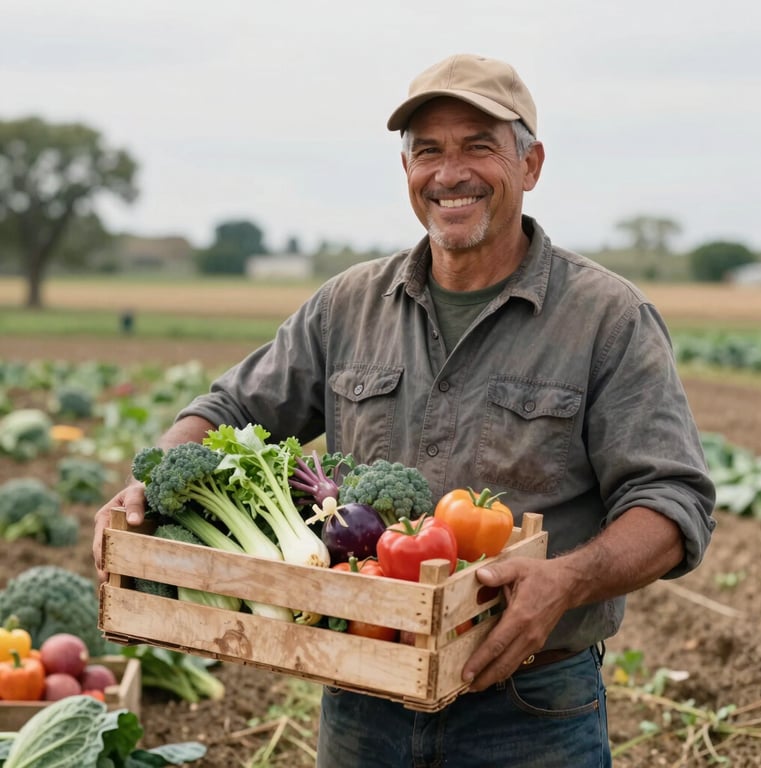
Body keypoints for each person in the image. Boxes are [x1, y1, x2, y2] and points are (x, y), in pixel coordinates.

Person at [93, 53, 716, 767]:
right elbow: (228, 406)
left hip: (530, 709)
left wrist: (566, 580)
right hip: (363, 700)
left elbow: (672, 502)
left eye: (479, 146)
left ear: (531, 164)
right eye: (429, 151)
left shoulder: (607, 318)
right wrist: (157, 476)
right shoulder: (348, 305)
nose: (450, 173)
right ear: (407, 172)